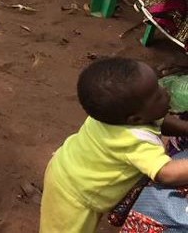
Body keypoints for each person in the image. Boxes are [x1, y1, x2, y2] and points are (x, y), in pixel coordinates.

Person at [40, 57, 188, 233]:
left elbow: (159, 122)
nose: (165, 91)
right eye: (157, 95)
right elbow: (166, 173)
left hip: (68, 166)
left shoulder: (117, 116)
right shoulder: (133, 141)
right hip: (77, 195)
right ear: (135, 119)